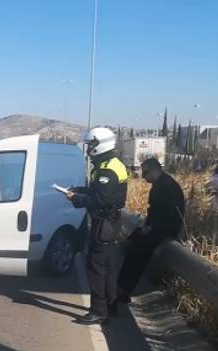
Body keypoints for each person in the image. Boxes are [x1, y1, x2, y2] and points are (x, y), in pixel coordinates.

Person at [65, 127, 128, 325]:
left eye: (91, 144)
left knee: (96, 266)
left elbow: (100, 200)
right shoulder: (109, 164)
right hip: (109, 222)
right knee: (108, 266)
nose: (89, 148)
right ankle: (111, 305)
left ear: (100, 144)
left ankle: (99, 311)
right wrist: (80, 190)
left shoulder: (108, 169)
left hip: (104, 223)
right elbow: (98, 192)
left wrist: (77, 199)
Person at [117, 158, 185, 303]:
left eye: (146, 172)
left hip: (164, 229)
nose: (143, 176)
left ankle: (123, 289)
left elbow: (167, 213)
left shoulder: (164, 186)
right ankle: (122, 288)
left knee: (137, 253)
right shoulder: (163, 183)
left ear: (156, 169)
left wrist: (150, 228)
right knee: (134, 244)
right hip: (161, 227)